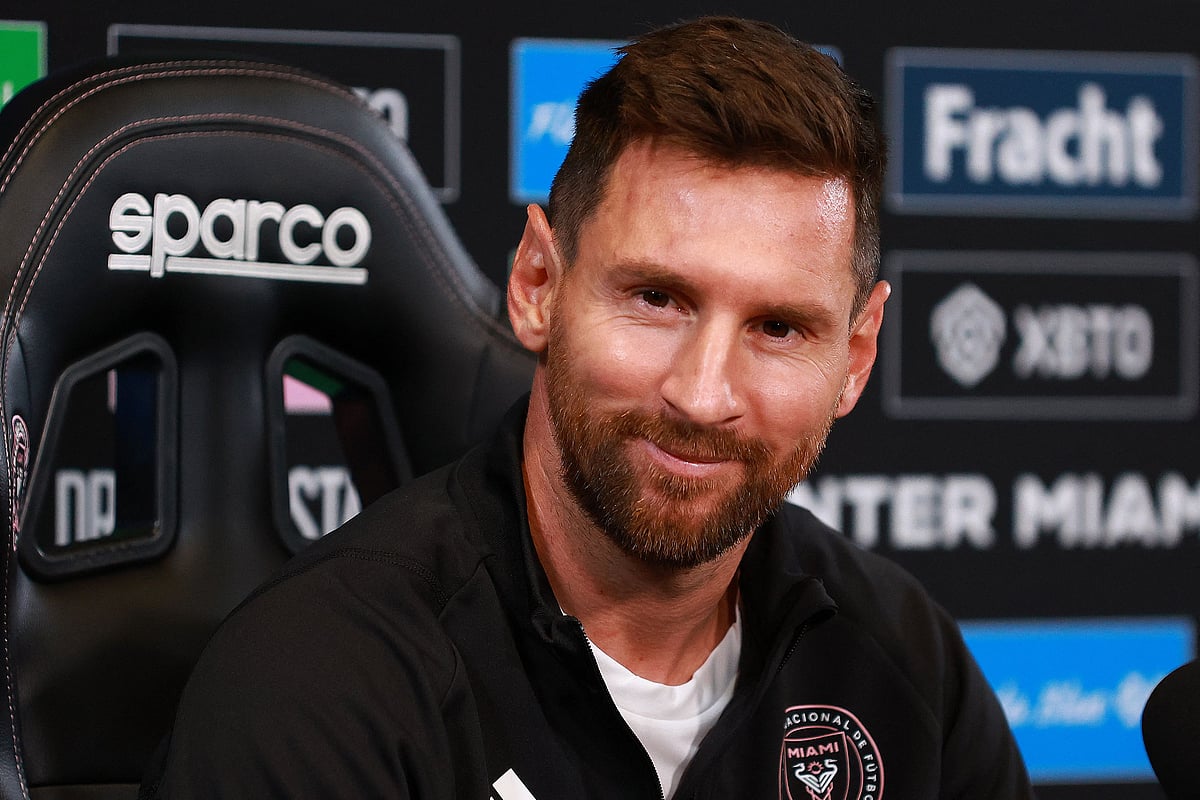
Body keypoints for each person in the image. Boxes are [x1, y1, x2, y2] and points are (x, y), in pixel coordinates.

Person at [141, 16, 1032, 799]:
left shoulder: (907, 668)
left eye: (778, 327)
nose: (703, 393)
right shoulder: (319, 681)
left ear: (856, 356)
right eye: (657, 299)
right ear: (538, 283)